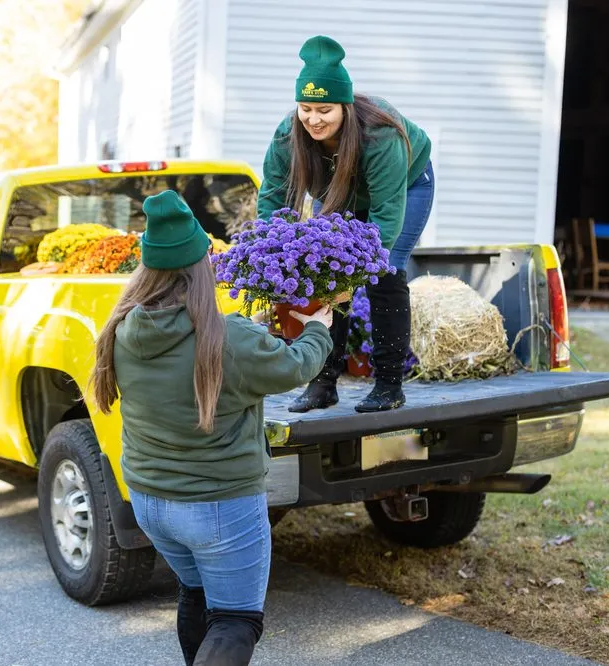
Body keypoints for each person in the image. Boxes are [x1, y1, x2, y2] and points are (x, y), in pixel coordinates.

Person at [91, 190, 333, 665]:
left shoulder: (120, 329)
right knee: (235, 622)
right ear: (202, 263)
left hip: (150, 500)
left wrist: (252, 326)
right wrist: (318, 326)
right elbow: (297, 364)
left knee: (196, 596)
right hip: (219, 506)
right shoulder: (229, 340)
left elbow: (215, 340)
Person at [256, 35, 434, 413]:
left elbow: (386, 216)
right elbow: (273, 199)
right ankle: (323, 383)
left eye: (324, 110)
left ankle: (389, 385)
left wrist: (353, 281)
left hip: (405, 186)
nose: (313, 119)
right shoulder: (290, 136)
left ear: (345, 106)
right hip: (342, 192)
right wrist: (270, 259)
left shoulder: (379, 135)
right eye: (305, 108)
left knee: (385, 271)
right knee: (325, 271)